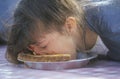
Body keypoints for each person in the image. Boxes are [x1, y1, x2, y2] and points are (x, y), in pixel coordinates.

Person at [5, 0, 120, 64]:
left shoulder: (112, 22)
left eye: (44, 46)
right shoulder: (74, 40)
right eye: (32, 50)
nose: (39, 54)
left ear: (69, 26)